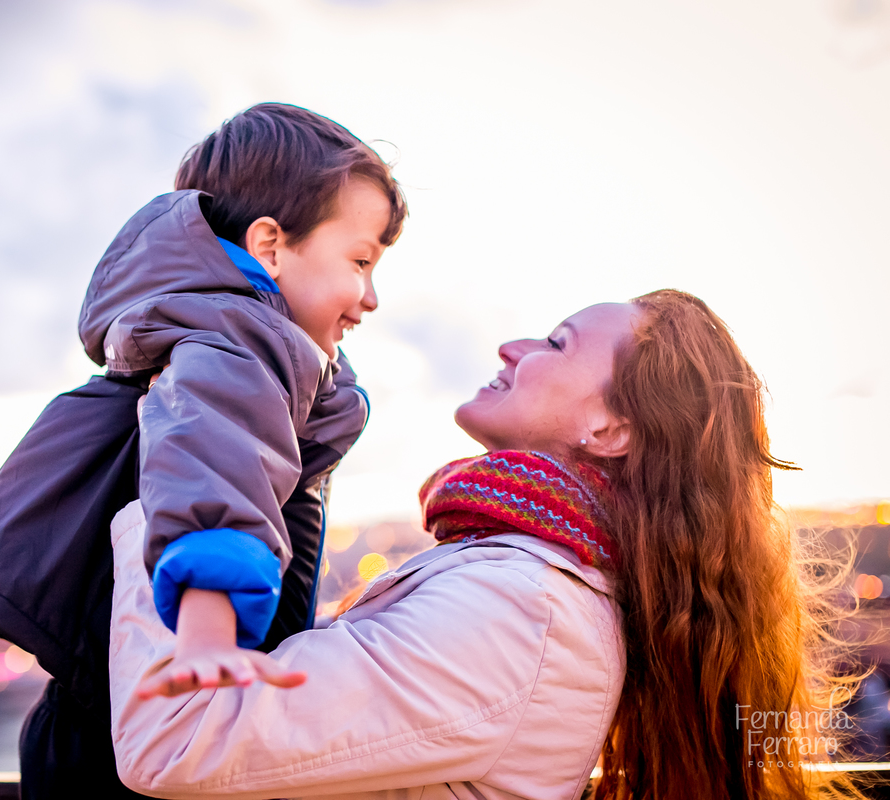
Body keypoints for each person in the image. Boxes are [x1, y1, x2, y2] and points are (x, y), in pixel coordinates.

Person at [111, 290, 872, 800]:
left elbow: (179, 734)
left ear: (609, 430)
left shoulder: (521, 611)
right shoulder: (527, 582)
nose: (512, 346)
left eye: (557, 343)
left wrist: (189, 489)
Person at [0, 102, 407, 798]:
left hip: (104, 711)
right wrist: (209, 642)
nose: (370, 297)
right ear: (270, 246)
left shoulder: (223, 335)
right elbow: (212, 474)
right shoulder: (237, 343)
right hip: (143, 719)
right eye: (360, 262)